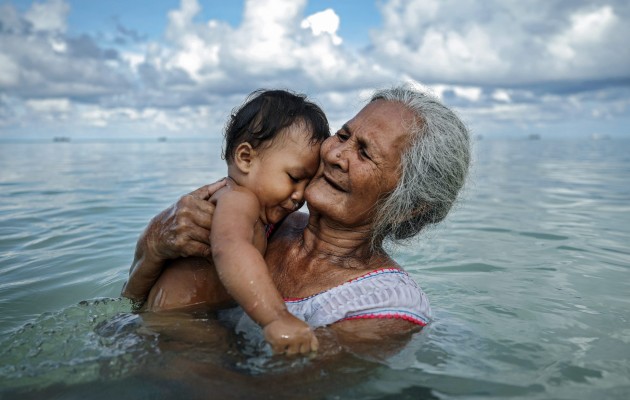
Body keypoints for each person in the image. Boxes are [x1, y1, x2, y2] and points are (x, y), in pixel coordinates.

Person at [122, 84, 470, 354]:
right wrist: (153, 245)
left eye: (364, 152)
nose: (335, 154)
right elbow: (129, 307)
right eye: (344, 135)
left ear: (410, 205)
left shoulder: (386, 310)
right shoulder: (265, 219)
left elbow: (274, 389)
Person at [141, 89, 330, 355]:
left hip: (180, 321)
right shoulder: (238, 199)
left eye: (307, 183)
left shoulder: (252, 209)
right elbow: (230, 247)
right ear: (245, 158)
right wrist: (276, 317)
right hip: (178, 325)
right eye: (293, 177)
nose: (300, 195)